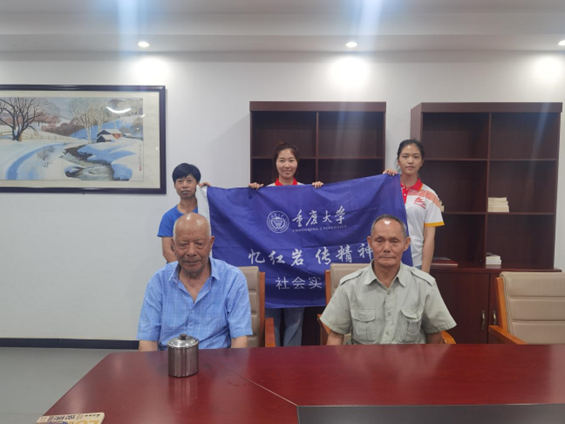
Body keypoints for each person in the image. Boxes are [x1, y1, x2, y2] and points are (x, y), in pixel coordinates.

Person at [320, 214, 455, 345]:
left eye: (394, 241)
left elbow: (434, 334)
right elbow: (335, 335)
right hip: (363, 359)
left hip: (410, 360)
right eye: (379, 240)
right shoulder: (349, 285)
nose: (386, 248)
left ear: (406, 244)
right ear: (370, 242)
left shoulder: (424, 285)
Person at [138, 213, 252, 351]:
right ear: (173, 245)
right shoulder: (159, 281)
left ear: (211, 243)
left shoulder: (233, 279)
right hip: (169, 361)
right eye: (183, 244)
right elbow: (147, 341)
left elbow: (239, 339)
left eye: (199, 244)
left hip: (217, 361)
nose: (191, 252)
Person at [248, 142, 323, 346]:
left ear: (297, 163)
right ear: (275, 164)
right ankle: (273, 360)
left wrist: (320, 192)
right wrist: (252, 194)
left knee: (295, 321)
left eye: (291, 160)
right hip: (272, 266)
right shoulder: (265, 192)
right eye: (282, 160)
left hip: (297, 267)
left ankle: (291, 361)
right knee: (270, 320)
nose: (286, 165)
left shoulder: (307, 190)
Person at [383, 139, 443, 273]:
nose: (410, 161)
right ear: (398, 161)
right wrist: (381, 181)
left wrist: (425, 273)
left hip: (415, 264)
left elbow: (429, 238)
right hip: (385, 262)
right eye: (405, 156)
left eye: (416, 157)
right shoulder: (386, 189)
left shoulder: (430, 195)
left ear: (421, 162)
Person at [158, 163, 210, 263]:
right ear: (174, 185)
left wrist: (211, 193)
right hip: (178, 270)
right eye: (180, 181)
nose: (184, 185)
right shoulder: (168, 217)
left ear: (197, 183)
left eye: (189, 181)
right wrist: (185, 269)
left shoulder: (207, 212)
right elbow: (167, 252)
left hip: (204, 268)